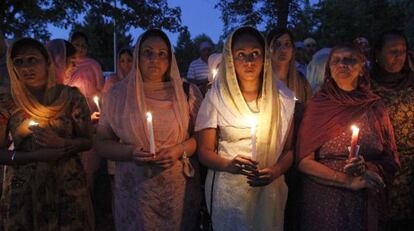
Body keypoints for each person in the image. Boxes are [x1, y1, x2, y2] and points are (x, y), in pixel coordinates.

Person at [95, 29, 203, 230]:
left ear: (170, 58)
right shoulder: (117, 95)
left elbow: (201, 138)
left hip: (178, 192)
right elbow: (101, 142)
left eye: (162, 54)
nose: (155, 59)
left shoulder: (188, 93)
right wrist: (130, 152)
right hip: (135, 194)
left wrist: (178, 150)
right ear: (138, 56)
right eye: (148, 52)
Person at [196, 27, 296, 231]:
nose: (249, 61)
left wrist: (275, 171)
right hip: (229, 193)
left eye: (255, 54)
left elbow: (289, 151)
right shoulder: (216, 98)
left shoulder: (283, 99)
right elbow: (204, 152)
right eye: (241, 55)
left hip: (268, 189)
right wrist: (227, 164)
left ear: (265, 57)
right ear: (231, 59)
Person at [296, 44, 399, 231]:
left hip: (365, 196)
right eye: (336, 60)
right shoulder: (318, 105)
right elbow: (304, 161)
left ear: (361, 68)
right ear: (330, 70)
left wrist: (366, 167)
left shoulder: (374, 106)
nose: (343, 64)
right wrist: (346, 180)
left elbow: (389, 158)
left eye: (350, 59)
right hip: (325, 197)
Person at [0, 38, 94, 230]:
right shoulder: (7, 102)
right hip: (24, 190)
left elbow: (87, 141)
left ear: (47, 62)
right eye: (19, 62)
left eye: (32, 60)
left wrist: (62, 144)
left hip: (67, 187)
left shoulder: (71, 97)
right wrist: (33, 156)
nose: (26, 67)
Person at [370, 30, 414, 230]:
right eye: (392, 51)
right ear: (378, 54)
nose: (399, 56)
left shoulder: (412, 82)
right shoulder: (367, 86)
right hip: (383, 166)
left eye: (403, 51)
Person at [69, 31, 104, 191]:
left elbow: (100, 88)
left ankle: (89, 193)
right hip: (70, 115)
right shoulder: (67, 64)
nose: (80, 48)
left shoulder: (93, 65)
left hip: (91, 113)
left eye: (84, 45)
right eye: (77, 44)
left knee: (90, 158)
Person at [268, 28, 312, 104]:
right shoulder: (260, 80)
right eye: (277, 44)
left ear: (292, 49)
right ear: (268, 49)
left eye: (287, 44)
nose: (283, 49)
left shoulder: (301, 81)